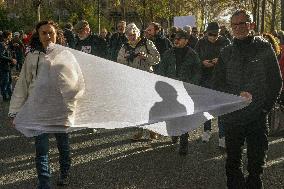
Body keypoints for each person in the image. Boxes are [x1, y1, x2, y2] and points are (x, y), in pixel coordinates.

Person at [212, 9, 282, 189]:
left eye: (241, 24)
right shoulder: (226, 52)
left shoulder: (265, 48)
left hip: (257, 117)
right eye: (234, 25)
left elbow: (276, 82)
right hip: (232, 117)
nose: (237, 28)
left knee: (256, 166)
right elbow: (217, 84)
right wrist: (236, 95)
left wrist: (265, 108)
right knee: (233, 163)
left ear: (251, 25)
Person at [8, 20, 73, 189]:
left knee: (63, 146)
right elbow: (23, 83)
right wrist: (15, 111)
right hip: (38, 109)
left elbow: (77, 82)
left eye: (50, 32)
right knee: (41, 150)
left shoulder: (66, 55)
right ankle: (44, 183)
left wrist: (72, 102)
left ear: (57, 34)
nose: (48, 36)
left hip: (60, 109)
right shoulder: (31, 57)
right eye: (43, 33)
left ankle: (64, 173)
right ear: (38, 35)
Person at [156, 29, 201, 155]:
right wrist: (163, 84)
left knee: (184, 115)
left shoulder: (193, 55)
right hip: (170, 89)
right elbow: (161, 69)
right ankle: (174, 132)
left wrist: (191, 85)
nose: (176, 40)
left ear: (186, 40)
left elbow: (197, 72)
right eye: (175, 38)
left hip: (185, 89)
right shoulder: (168, 53)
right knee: (172, 114)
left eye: (179, 38)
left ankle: (184, 142)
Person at [117, 23, 160, 140]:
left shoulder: (147, 43)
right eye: (129, 35)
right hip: (133, 79)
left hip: (147, 77)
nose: (132, 37)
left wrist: (146, 56)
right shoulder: (124, 46)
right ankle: (139, 131)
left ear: (138, 33)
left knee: (150, 104)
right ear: (126, 35)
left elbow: (157, 59)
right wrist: (126, 57)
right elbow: (119, 61)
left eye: (134, 34)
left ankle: (153, 129)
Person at [194, 22, 231, 148]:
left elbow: (232, 58)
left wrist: (220, 61)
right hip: (205, 79)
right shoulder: (200, 43)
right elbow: (193, 59)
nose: (213, 37)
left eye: (216, 35)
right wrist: (201, 62)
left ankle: (222, 136)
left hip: (221, 80)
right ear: (206, 33)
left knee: (221, 108)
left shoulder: (226, 42)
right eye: (211, 35)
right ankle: (207, 131)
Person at [0, 30, 17, 101]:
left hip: (9, 66)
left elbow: (9, 53)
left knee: (9, 81)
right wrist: (11, 59)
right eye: (11, 35)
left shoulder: (8, 44)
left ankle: (10, 95)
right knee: (5, 82)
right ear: (7, 36)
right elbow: (1, 55)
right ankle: (4, 96)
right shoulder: (1, 44)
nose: (12, 37)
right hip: (3, 67)